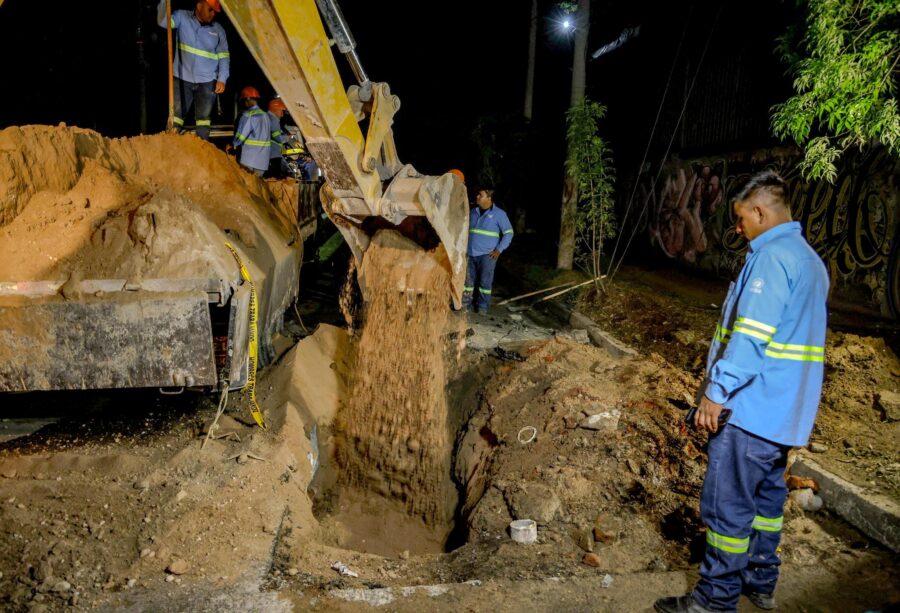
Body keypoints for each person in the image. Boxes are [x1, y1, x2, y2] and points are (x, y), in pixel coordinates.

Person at [655, 171, 829, 613]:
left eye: (740, 218)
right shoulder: (809, 260)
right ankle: (761, 581)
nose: (738, 228)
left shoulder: (771, 260)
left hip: (751, 409)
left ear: (759, 211)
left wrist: (716, 392)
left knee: (727, 508)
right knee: (768, 502)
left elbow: (750, 338)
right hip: (784, 415)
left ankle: (715, 600)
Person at [157, 0, 229, 141]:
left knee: (203, 119)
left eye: (215, 11)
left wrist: (222, 78)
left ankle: (202, 147)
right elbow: (164, 22)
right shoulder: (182, 17)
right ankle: (171, 144)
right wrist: (164, 3)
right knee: (176, 116)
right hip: (181, 77)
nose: (213, 14)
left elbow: (224, 56)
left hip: (208, 81)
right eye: (211, 9)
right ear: (199, 5)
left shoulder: (218, 30)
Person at [464, 188, 513, 314]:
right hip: (470, 253)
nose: (477, 197)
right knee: (467, 282)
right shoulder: (473, 212)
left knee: (485, 282)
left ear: (489, 198)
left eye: (481, 195)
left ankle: (482, 307)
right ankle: (465, 305)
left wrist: (499, 249)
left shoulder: (499, 214)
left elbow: (508, 233)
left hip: (488, 255)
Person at [231, 87, 270, 176]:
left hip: (249, 160)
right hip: (263, 162)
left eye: (244, 101)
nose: (244, 104)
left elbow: (240, 137)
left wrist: (233, 144)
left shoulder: (248, 115)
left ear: (247, 99)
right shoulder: (266, 116)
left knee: (247, 187)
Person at [265, 99, 290, 178]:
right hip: (273, 155)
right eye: (281, 111)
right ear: (275, 110)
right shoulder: (274, 120)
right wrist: (288, 138)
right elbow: (278, 138)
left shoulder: (265, 118)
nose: (282, 114)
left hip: (265, 155)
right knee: (283, 177)